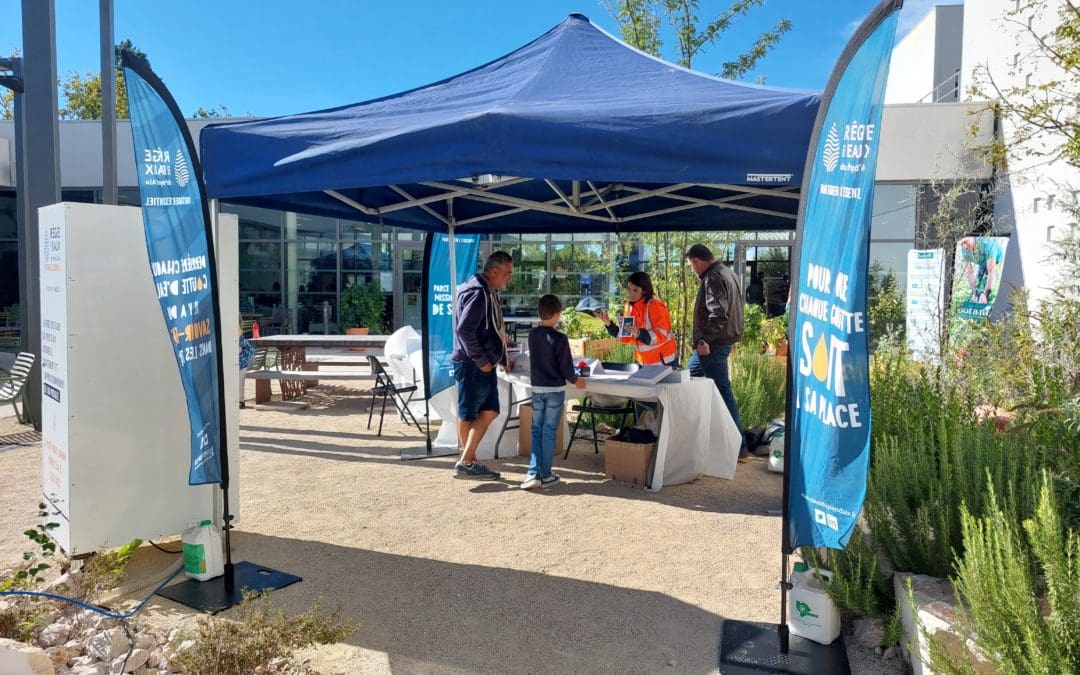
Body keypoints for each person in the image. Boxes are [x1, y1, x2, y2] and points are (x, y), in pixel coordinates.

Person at [449, 251, 514, 480]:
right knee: (469, 414)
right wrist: (483, 361)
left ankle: (468, 458)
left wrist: (501, 355)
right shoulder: (479, 293)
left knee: (489, 411)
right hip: (473, 365)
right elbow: (465, 330)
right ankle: (467, 460)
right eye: (507, 273)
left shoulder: (482, 290)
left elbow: (487, 329)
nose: (509, 278)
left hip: (477, 364)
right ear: (494, 271)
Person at [685, 244, 748, 460]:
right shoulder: (728, 272)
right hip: (722, 340)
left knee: (721, 392)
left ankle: (738, 446)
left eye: (691, 266)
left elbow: (718, 313)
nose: (692, 271)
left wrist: (704, 339)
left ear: (697, 261)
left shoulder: (712, 277)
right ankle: (710, 440)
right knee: (690, 381)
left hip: (713, 344)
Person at [523, 295, 586, 490]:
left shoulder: (532, 335)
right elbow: (567, 368)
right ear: (558, 314)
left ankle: (533, 472)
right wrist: (576, 380)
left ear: (539, 313)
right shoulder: (560, 338)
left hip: (537, 388)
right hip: (555, 390)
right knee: (549, 431)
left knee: (536, 430)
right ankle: (547, 473)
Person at [595, 271, 678, 366]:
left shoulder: (655, 305)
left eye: (635, 290)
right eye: (629, 289)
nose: (631, 293)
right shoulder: (629, 307)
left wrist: (639, 333)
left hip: (666, 362)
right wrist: (608, 324)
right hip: (644, 363)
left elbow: (662, 335)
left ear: (645, 290)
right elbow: (626, 337)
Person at [959, 236, 1003, 304]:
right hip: (982, 262)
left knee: (992, 289)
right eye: (962, 244)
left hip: (996, 261)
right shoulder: (964, 249)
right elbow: (969, 273)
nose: (965, 246)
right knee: (978, 284)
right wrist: (974, 293)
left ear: (973, 237)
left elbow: (991, 272)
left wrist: (985, 295)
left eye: (965, 242)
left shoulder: (988, 244)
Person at [238, 324, 255, 409]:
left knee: (240, 382)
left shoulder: (243, 341)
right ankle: (238, 400)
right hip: (235, 365)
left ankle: (241, 401)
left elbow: (242, 351)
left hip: (243, 365)